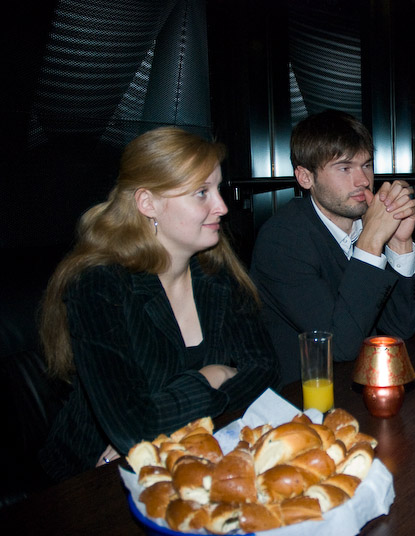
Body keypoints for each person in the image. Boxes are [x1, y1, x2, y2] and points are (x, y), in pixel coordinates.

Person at [37, 127, 281, 481]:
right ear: (147, 203)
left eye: (218, 189)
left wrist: (170, 424)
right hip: (89, 481)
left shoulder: (215, 271)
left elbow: (265, 370)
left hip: (189, 459)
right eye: (202, 193)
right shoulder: (99, 285)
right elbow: (134, 429)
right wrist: (210, 377)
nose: (222, 207)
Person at [249, 110, 415, 387]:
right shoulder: (282, 240)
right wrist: (371, 241)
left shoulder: (366, 226)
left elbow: (400, 329)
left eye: (366, 165)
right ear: (305, 178)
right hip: (302, 400)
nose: (363, 180)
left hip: (365, 385)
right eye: (344, 168)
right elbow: (340, 346)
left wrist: (399, 243)